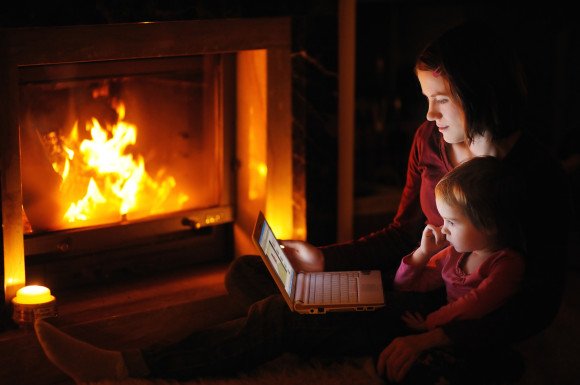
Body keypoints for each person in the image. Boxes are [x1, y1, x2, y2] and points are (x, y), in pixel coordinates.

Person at [34, 20, 571, 384]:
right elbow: (405, 234)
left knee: (282, 313)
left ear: (478, 94)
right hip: (409, 279)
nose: (428, 114)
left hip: (429, 314)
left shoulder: (533, 174)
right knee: (250, 274)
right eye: (424, 99)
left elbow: (537, 305)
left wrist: (439, 336)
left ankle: (128, 368)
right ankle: (333, 331)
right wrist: (323, 260)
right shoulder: (428, 142)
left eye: (440, 100)